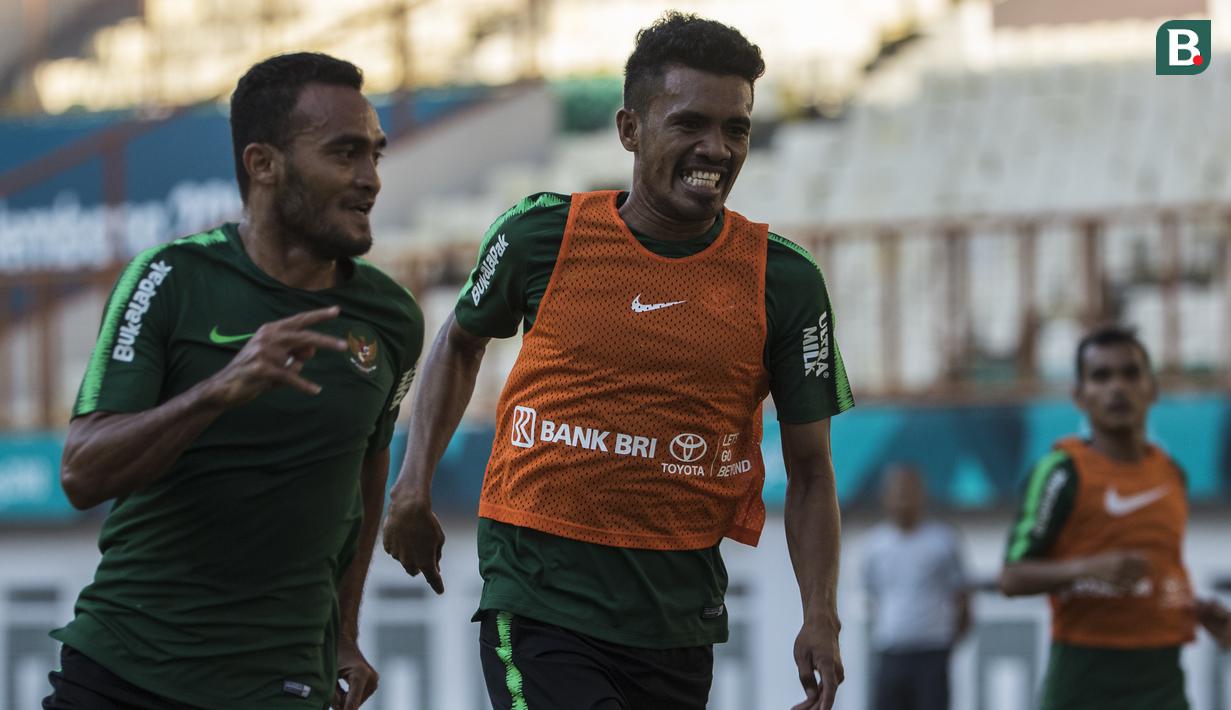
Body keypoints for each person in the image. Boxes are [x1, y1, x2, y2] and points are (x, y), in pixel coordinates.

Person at [382, 11, 853, 710]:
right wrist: (412, 484)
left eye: (736, 129)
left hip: (676, 619)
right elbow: (459, 339)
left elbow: (811, 471)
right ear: (629, 128)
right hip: (537, 594)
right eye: (690, 123)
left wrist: (820, 614)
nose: (715, 149)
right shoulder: (541, 234)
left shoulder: (782, 280)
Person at [42, 52, 423, 710]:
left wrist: (347, 632)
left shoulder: (391, 319)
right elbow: (81, 471)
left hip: (281, 686)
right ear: (263, 164)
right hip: (128, 673)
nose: (369, 180)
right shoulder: (168, 280)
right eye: (344, 153)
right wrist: (217, 390)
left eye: (375, 155)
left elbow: (365, 467)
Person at [1000, 325, 1225, 710]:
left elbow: (1163, 567)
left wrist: (1195, 609)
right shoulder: (1062, 471)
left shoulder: (1171, 474)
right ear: (1079, 396)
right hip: (1084, 681)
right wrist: (1085, 568)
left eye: (1130, 373)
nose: (1117, 387)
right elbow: (1011, 577)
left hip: (1162, 681)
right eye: (1101, 376)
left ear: (1151, 389)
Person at [862, 465, 969, 710]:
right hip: (891, 653)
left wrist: (949, 643)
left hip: (931, 652)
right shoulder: (874, 546)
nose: (903, 498)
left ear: (922, 494)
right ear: (885, 496)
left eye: (909, 491)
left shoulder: (943, 540)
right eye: (897, 491)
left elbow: (962, 598)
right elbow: (873, 596)